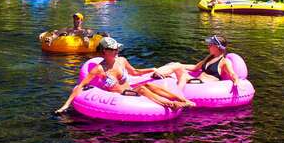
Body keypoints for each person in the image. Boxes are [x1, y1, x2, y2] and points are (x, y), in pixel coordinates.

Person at [55, 37, 192, 114]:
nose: (116, 51)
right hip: (119, 96)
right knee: (142, 89)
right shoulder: (99, 69)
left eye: (117, 49)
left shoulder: (121, 60)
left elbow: (135, 72)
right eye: (113, 50)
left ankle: (183, 100)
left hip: (130, 90)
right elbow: (81, 85)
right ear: (104, 51)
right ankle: (170, 104)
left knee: (148, 85)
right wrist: (66, 105)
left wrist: (151, 69)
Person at [152, 34, 240, 90]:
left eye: (210, 44)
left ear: (217, 47)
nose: (208, 46)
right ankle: (157, 73)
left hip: (203, 85)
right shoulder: (209, 57)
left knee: (177, 70)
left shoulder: (224, 62)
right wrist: (180, 64)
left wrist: (236, 81)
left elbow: (232, 73)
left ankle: (158, 73)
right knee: (176, 66)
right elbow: (195, 67)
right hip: (196, 81)